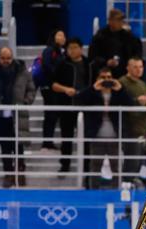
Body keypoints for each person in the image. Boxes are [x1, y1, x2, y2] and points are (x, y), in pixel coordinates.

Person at [0, 46, 35, 187]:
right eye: (3, 58)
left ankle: (20, 173)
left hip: (17, 114)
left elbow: (31, 89)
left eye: (8, 58)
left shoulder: (23, 72)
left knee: (18, 145)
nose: (6, 61)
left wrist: (26, 102)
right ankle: (8, 173)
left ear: (12, 58)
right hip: (0, 115)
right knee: (5, 146)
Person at [82, 66, 133, 189]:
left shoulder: (118, 93)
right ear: (97, 79)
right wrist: (93, 88)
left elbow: (130, 104)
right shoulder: (92, 92)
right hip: (96, 136)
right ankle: (93, 192)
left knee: (116, 167)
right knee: (95, 166)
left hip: (115, 136)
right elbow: (78, 101)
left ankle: (116, 191)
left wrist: (120, 89)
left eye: (109, 77)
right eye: (103, 77)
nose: (106, 80)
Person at [50, 38, 88, 174]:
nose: (72, 50)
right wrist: (66, 89)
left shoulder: (88, 64)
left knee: (86, 139)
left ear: (81, 48)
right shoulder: (62, 64)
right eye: (69, 48)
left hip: (85, 107)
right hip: (67, 107)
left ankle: (86, 167)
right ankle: (65, 165)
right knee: (66, 137)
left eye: (75, 47)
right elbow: (53, 85)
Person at [89, 8, 143, 78]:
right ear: (110, 21)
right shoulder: (100, 37)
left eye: (121, 20)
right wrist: (106, 62)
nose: (121, 22)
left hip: (125, 74)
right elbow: (92, 56)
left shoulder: (129, 37)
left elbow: (137, 53)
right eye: (118, 20)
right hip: (104, 74)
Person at [36, 30, 67, 151]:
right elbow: (47, 66)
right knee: (50, 114)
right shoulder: (49, 50)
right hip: (49, 87)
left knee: (54, 114)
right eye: (59, 35)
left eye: (64, 35)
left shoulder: (62, 52)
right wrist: (56, 75)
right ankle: (47, 142)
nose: (62, 38)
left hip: (58, 87)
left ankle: (49, 141)